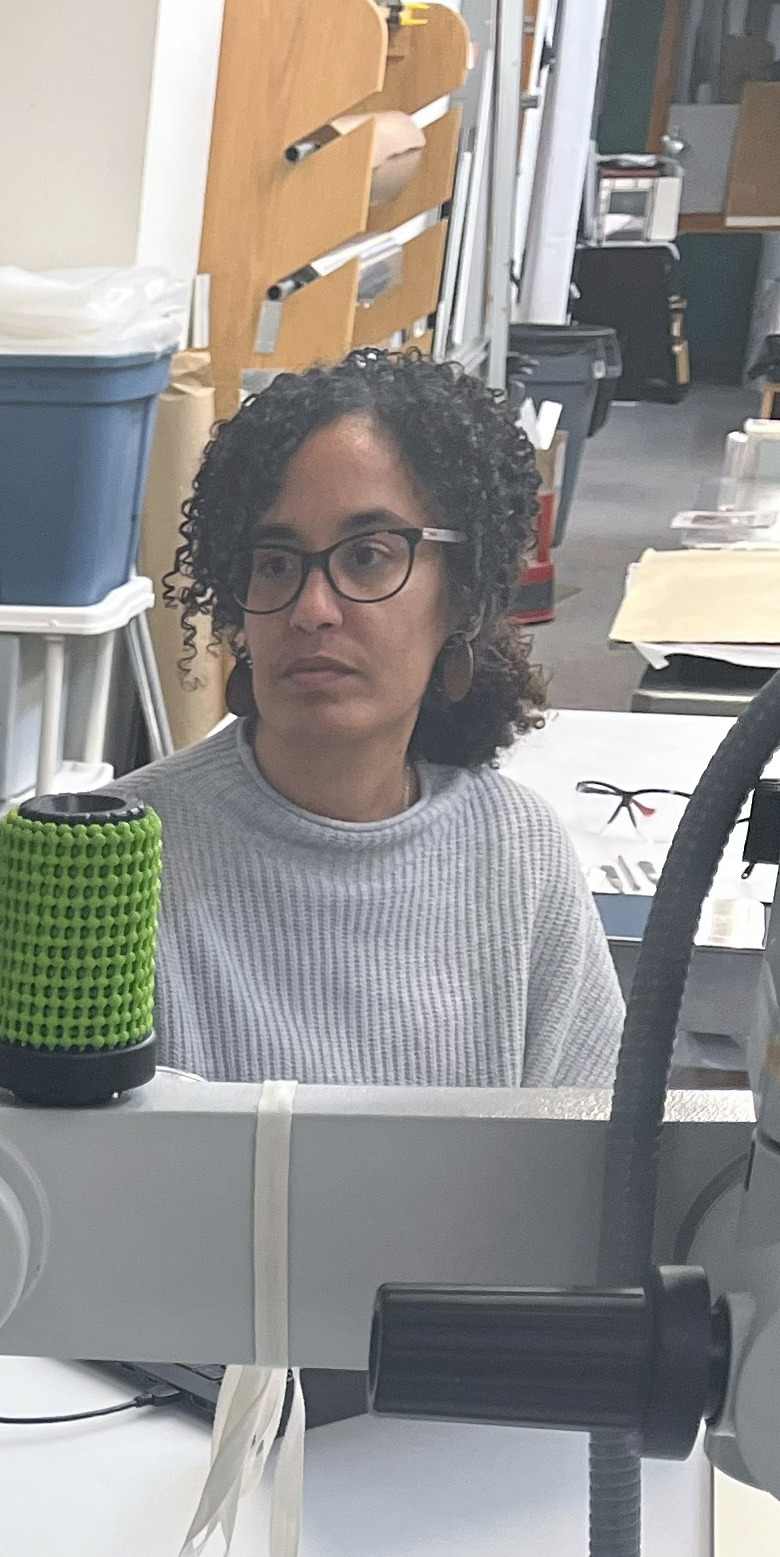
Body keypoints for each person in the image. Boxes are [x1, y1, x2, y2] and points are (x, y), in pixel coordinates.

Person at [132, 350, 624, 1086]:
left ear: (459, 598)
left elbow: (587, 1160)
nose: (312, 609)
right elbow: (36, 1177)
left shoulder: (517, 856)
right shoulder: (113, 861)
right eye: (275, 562)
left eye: (367, 556)